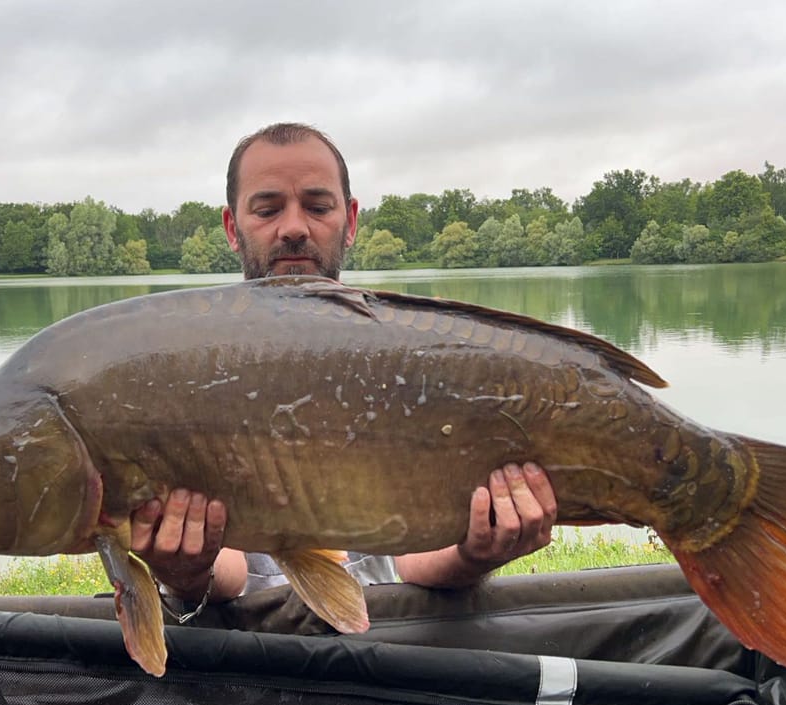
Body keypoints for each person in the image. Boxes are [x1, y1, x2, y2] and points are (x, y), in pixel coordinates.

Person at [129, 122, 559, 613]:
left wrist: (475, 552)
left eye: (317, 207)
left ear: (350, 220)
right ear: (232, 227)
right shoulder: (185, 367)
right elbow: (224, 575)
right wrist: (184, 573)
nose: (293, 227)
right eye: (268, 210)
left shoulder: (414, 355)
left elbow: (411, 563)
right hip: (244, 642)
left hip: (391, 624)